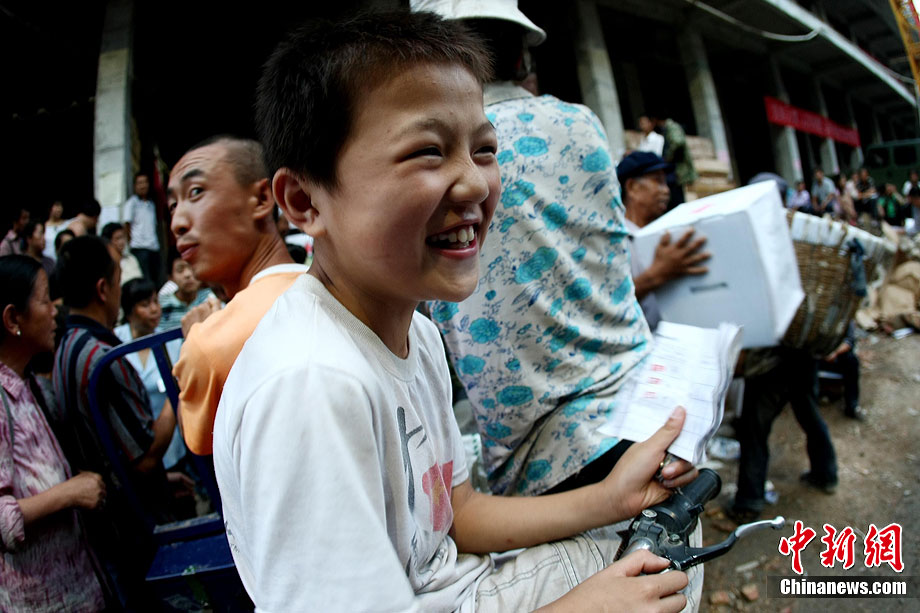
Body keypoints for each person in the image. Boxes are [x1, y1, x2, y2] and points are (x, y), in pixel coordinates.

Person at [217, 11, 697, 611]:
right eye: (427, 152)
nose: (475, 184)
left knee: (669, 561)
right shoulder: (311, 385)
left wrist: (613, 498)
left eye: (484, 149)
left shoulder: (416, 335)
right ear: (303, 201)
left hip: (459, 588)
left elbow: (458, 514)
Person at [50, 235, 176, 608]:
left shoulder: (66, 347)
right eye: (119, 278)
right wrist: (179, 383)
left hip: (109, 525)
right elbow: (146, 457)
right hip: (136, 528)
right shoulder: (102, 358)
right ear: (103, 289)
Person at [167, 135, 303, 455]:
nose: (177, 223)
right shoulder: (336, 289)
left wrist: (196, 339)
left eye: (196, 192)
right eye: (172, 205)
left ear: (261, 199)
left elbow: (200, 445)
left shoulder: (211, 343)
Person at [0, 255, 107, 612]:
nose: (54, 311)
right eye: (45, 300)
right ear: (12, 319)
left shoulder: (27, 384)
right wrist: (70, 492)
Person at [617, 151, 709, 330]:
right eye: (657, 181)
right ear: (632, 187)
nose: (666, 190)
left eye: (666, 182)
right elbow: (610, 301)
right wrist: (657, 275)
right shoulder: (615, 241)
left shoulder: (669, 234)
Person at [114, 278, 188, 470]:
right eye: (145, 305)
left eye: (156, 302)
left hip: (172, 444)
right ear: (129, 311)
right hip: (136, 449)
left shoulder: (171, 343)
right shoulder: (115, 342)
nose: (155, 309)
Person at [123, 173, 162, 284]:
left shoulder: (151, 204)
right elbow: (127, 224)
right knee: (144, 282)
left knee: (157, 280)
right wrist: (131, 243)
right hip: (139, 248)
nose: (143, 186)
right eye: (140, 183)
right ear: (135, 186)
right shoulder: (131, 203)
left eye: (145, 182)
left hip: (153, 247)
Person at [651, 114, 697, 207]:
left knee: (677, 198)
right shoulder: (667, 129)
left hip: (676, 170)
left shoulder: (671, 127)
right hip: (674, 171)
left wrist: (668, 157)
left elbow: (678, 142)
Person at [821, 323, 864, 421]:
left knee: (851, 360)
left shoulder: (845, 318)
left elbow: (848, 342)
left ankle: (852, 406)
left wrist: (834, 353)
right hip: (816, 355)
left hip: (835, 356)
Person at [158, 253, 212, 330]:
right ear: (170, 277)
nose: (187, 274)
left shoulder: (211, 298)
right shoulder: (162, 304)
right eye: (180, 270)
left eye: (192, 268)